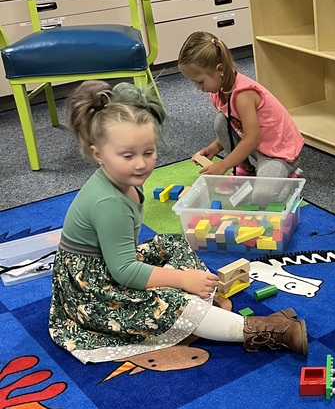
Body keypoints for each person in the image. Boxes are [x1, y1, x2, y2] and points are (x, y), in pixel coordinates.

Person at [49, 81, 308, 363]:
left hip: (109, 263)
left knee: (171, 242)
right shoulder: (109, 203)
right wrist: (183, 279)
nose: (141, 164)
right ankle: (262, 329)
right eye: (127, 155)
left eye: (148, 152)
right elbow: (124, 272)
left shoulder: (123, 180)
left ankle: (201, 305)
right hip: (92, 289)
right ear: (98, 154)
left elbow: (123, 259)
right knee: (169, 305)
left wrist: (182, 278)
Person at [178, 31, 303, 178]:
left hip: (279, 153)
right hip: (259, 146)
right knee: (221, 121)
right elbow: (236, 127)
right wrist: (213, 149)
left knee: (262, 195)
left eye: (200, 82)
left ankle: (290, 176)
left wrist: (223, 165)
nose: (198, 88)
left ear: (220, 69)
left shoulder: (243, 96)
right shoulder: (218, 92)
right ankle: (245, 169)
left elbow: (252, 138)